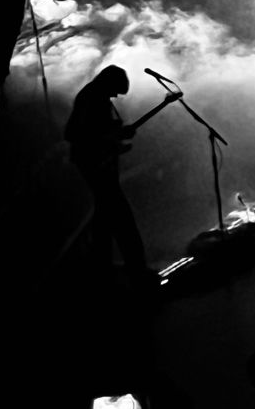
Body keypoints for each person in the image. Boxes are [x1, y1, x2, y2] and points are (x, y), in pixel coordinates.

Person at [64, 66, 179, 286]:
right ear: (109, 83)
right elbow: (74, 133)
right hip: (97, 165)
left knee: (104, 217)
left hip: (98, 163)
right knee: (122, 218)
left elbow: (97, 132)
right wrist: (110, 139)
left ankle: (102, 268)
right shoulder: (92, 98)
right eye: (115, 91)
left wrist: (115, 137)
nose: (116, 96)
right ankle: (137, 271)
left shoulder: (96, 96)